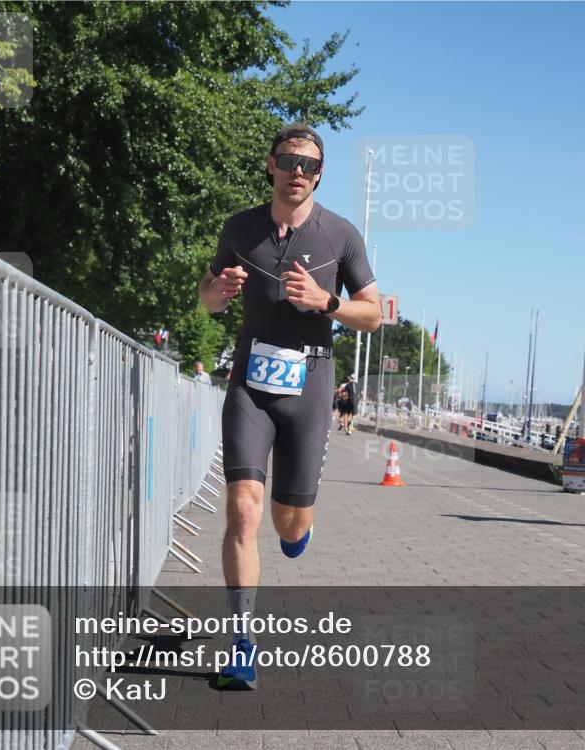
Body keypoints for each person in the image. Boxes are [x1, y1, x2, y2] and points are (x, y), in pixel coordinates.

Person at [197, 123, 381, 688]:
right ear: (271, 167)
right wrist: (217, 293)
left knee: (286, 521)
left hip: (310, 385)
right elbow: (205, 300)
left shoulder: (341, 235)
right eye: (287, 160)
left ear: (318, 174)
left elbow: (373, 313)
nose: (296, 170)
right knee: (244, 511)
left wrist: (328, 303)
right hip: (250, 383)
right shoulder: (241, 228)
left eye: (307, 163)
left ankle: (299, 529)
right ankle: (242, 644)